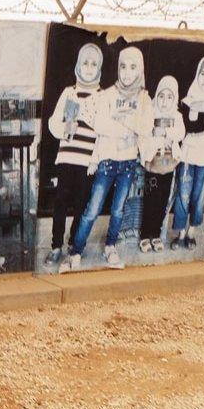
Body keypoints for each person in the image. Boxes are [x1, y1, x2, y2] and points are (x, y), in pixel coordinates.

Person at [60, 46, 152, 273]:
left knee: (119, 210)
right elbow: (100, 125)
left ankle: (111, 246)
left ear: (139, 69)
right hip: (107, 162)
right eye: (123, 66)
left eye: (133, 67)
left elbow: (145, 127)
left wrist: (126, 123)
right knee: (92, 210)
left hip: (129, 164)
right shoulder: (108, 94)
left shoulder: (143, 97)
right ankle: (76, 251)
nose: (127, 72)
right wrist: (126, 127)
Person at [45, 42, 103, 266]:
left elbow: (102, 132)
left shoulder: (101, 96)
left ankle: (73, 245)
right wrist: (65, 129)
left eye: (94, 64)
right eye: (85, 63)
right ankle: (55, 246)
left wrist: (94, 160)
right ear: (79, 65)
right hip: (67, 157)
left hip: (86, 161)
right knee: (60, 203)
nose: (89, 68)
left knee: (81, 205)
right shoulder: (69, 92)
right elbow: (53, 122)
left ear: (99, 68)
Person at [172, 55, 204, 249]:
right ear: (198, 74)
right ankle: (180, 233)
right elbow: (188, 126)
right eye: (203, 73)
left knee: (198, 195)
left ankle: (192, 232)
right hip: (187, 154)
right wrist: (202, 120)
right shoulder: (187, 98)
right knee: (183, 193)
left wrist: (198, 118)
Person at [138, 75, 186, 253]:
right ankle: (145, 235)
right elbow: (144, 136)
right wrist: (156, 139)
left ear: (175, 99)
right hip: (153, 165)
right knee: (150, 201)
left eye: (169, 97)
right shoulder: (150, 113)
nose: (164, 101)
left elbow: (180, 133)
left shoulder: (177, 116)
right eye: (161, 96)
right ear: (156, 95)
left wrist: (165, 132)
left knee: (162, 201)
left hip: (168, 165)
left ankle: (156, 234)